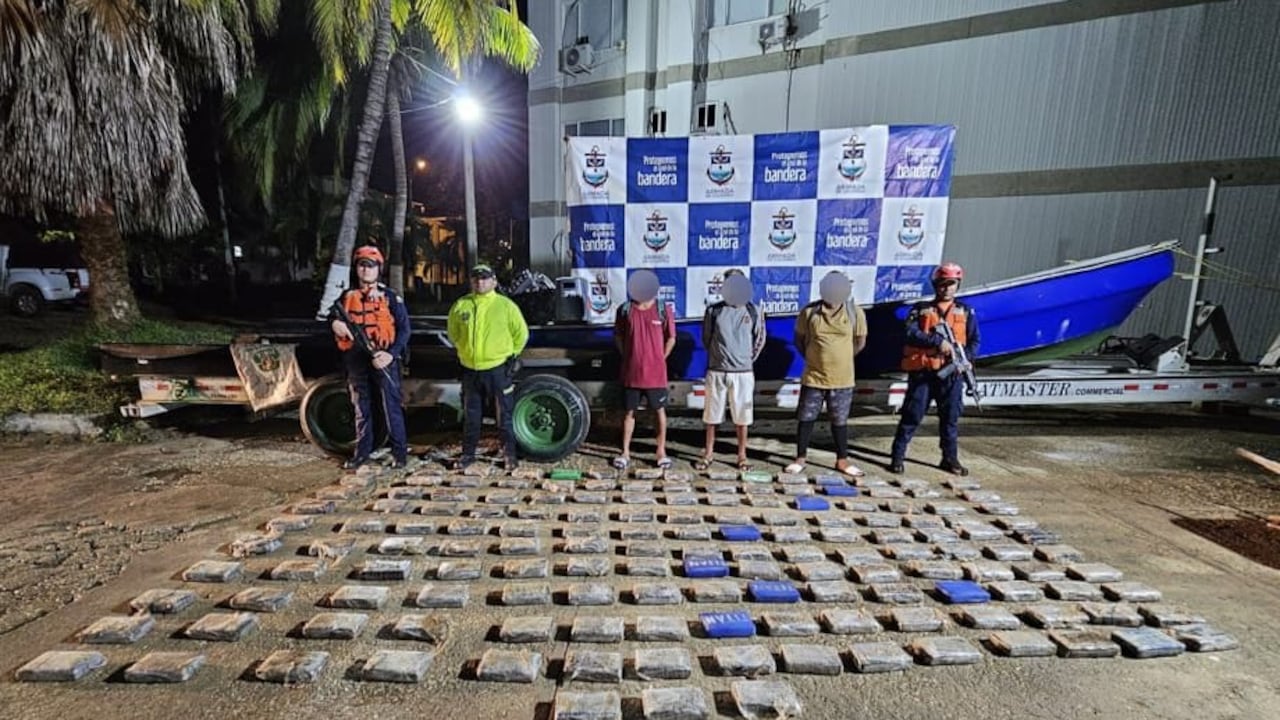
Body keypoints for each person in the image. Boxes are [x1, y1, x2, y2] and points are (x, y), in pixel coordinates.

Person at [889, 262, 981, 476]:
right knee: (912, 416)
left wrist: (965, 358)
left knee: (950, 419)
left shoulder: (965, 311)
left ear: (957, 285)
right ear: (935, 285)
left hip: (952, 374)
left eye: (951, 284)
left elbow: (975, 340)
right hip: (924, 373)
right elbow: (910, 333)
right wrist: (936, 342)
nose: (946, 288)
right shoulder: (921, 309)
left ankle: (950, 459)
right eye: (942, 284)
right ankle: (897, 457)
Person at [329, 245, 411, 470]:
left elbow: (404, 330)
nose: (366, 270)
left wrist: (390, 355)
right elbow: (333, 317)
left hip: (382, 357)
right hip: (356, 358)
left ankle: (399, 453)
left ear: (378, 269)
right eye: (362, 265)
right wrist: (335, 323)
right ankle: (362, 452)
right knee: (361, 406)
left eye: (370, 266)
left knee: (391, 406)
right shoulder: (347, 297)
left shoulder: (390, 297)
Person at [447, 263, 530, 473]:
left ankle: (509, 455)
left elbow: (521, 333)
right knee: (471, 416)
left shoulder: (506, 306)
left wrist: (513, 355)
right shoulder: (461, 305)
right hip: (470, 370)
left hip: (497, 370)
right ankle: (468, 455)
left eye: (485, 278)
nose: (480, 282)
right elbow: (453, 333)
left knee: (504, 416)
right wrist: (464, 351)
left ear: (493, 281)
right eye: (476, 278)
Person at [785, 271, 868, 477]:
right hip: (813, 377)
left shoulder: (855, 312)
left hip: (843, 380)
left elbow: (860, 342)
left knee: (839, 421)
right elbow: (799, 340)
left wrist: (842, 358)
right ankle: (800, 459)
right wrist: (815, 358)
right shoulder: (810, 312)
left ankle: (842, 460)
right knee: (806, 418)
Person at [696, 269, 766, 471]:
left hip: (743, 374)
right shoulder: (713, 311)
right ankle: (708, 453)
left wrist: (744, 360)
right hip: (717, 371)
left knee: (742, 417)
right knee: (711, 416)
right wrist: (720, 358)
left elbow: (759, 340)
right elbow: (707, 339)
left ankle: (742, 456)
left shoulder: (754, 311)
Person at [613, 269, 676, 471]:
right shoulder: (625, 310)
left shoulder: (663, 309)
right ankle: (625, 452)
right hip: (631, 374)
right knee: (629, 413)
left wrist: (660, 357)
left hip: (656, 375)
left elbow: (671, 338)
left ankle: (661, 452)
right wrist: (628, 356)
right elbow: (618, 336)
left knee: (659, 412)